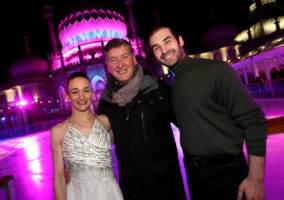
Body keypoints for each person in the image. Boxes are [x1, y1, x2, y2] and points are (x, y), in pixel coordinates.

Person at [148, 26, 268, 200]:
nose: (164, 50)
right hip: (195, 174)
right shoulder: (174, 85)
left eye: (167, 41)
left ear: (180, 41)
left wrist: (256, 179)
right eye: (156, 47)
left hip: (227, 172)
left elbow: (254, 121)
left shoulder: (216, 71)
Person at [97, 38, 186, 199]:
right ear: (107, 66)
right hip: (133, 188)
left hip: (165, 185)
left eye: (124, 57)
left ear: (133, 58)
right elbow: (96, 144)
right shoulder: (107, 102)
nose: (120, 64)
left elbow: (188, 124)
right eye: (113, 60)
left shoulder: (157, 89)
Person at [51, 72, 123, 200]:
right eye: (75, 92)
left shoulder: (105, 122)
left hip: (109, 194)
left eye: (86, 90)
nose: (82, 96)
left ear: (92, 93)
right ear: (67, 97)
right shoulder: (58, 132)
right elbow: (59, 177)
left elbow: (127, 147)